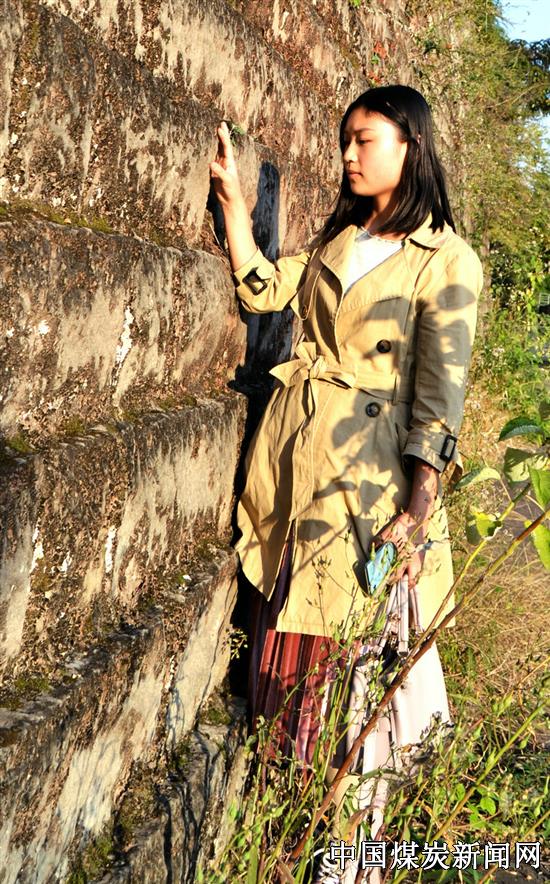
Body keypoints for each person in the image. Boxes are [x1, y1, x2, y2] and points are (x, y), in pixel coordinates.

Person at [210, 85, 483, 881]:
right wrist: (233, 204)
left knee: (342, 668)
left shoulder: (447, 260)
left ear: (411, 145)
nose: (348, 154)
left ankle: (336, 851)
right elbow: (265, 289)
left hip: (367, 485)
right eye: (345, 140)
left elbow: (439, 402)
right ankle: (279, 838)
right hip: (295, 464)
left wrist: (418, 508)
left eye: (365, 139)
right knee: (283, 637)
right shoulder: (344, 236)